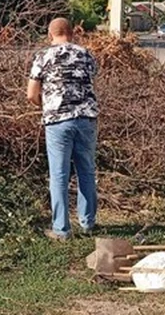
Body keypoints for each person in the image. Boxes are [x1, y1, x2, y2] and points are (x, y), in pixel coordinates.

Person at [26, 17, 100, 241]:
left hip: (57, 121)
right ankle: (88, 223)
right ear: (73, 32)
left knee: (59, 174)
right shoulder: (85, 54)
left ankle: (62, 229)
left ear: (50, 34)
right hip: (86, 118)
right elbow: (91, 80)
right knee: (86, 171)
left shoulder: (43, 56)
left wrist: (46, 105)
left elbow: (31, 94)